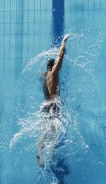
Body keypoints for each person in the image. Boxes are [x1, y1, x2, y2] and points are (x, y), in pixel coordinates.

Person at [37, 34, 70, 167]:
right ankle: (49, 157)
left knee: (48, 129)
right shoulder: (54, 73)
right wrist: (64, 42)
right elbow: (61, 55)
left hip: (46, 105)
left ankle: (40, 151)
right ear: (53, 66)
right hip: (53, 105)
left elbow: (41, 75)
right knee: (54, 132)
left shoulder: (45, 76)